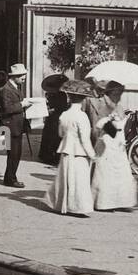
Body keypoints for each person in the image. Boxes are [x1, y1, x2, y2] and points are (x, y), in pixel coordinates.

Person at [47, 79, 98, 215]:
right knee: (79, 181)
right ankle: (78, 207)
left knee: (65, 180)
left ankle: (62, 205)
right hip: (79, 153)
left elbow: (60, 133)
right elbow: (85, 140)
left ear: (69, 97)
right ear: (84, 99)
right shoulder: (82, 117)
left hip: (66, 150)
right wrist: (93, 155)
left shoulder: (64, 115)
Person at [91, 81, 137, 211]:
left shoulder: (120, 107)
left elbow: (122, 124)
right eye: (117, 93)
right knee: (106, 171)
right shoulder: (102, 105)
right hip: (107, 141)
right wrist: (108, 121)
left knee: (121, 171)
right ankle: (105, 202)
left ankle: (120, 201)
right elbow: (98, 125)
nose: (119, 96)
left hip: (118, 143)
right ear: (110, 93)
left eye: (120, 93)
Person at [0, 62, 29, 187]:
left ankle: (9, 177)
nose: (24, 78)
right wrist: (22, 104)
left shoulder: (15, 87)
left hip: (15, 126)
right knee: (14, 154)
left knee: (16, 153)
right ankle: (11, 179)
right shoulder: (6, 89)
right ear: (15, 76)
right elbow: (7, 108)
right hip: (10, 126)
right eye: (22, 76)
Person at [37, 73, 68, 166]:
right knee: (50, 136)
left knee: (54, 137)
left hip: (56, 117)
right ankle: (47, 156)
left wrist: (52, 109)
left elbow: (62, 106)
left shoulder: (61, 94)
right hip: (52, 117)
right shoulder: (50, 94)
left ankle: (51, 156)